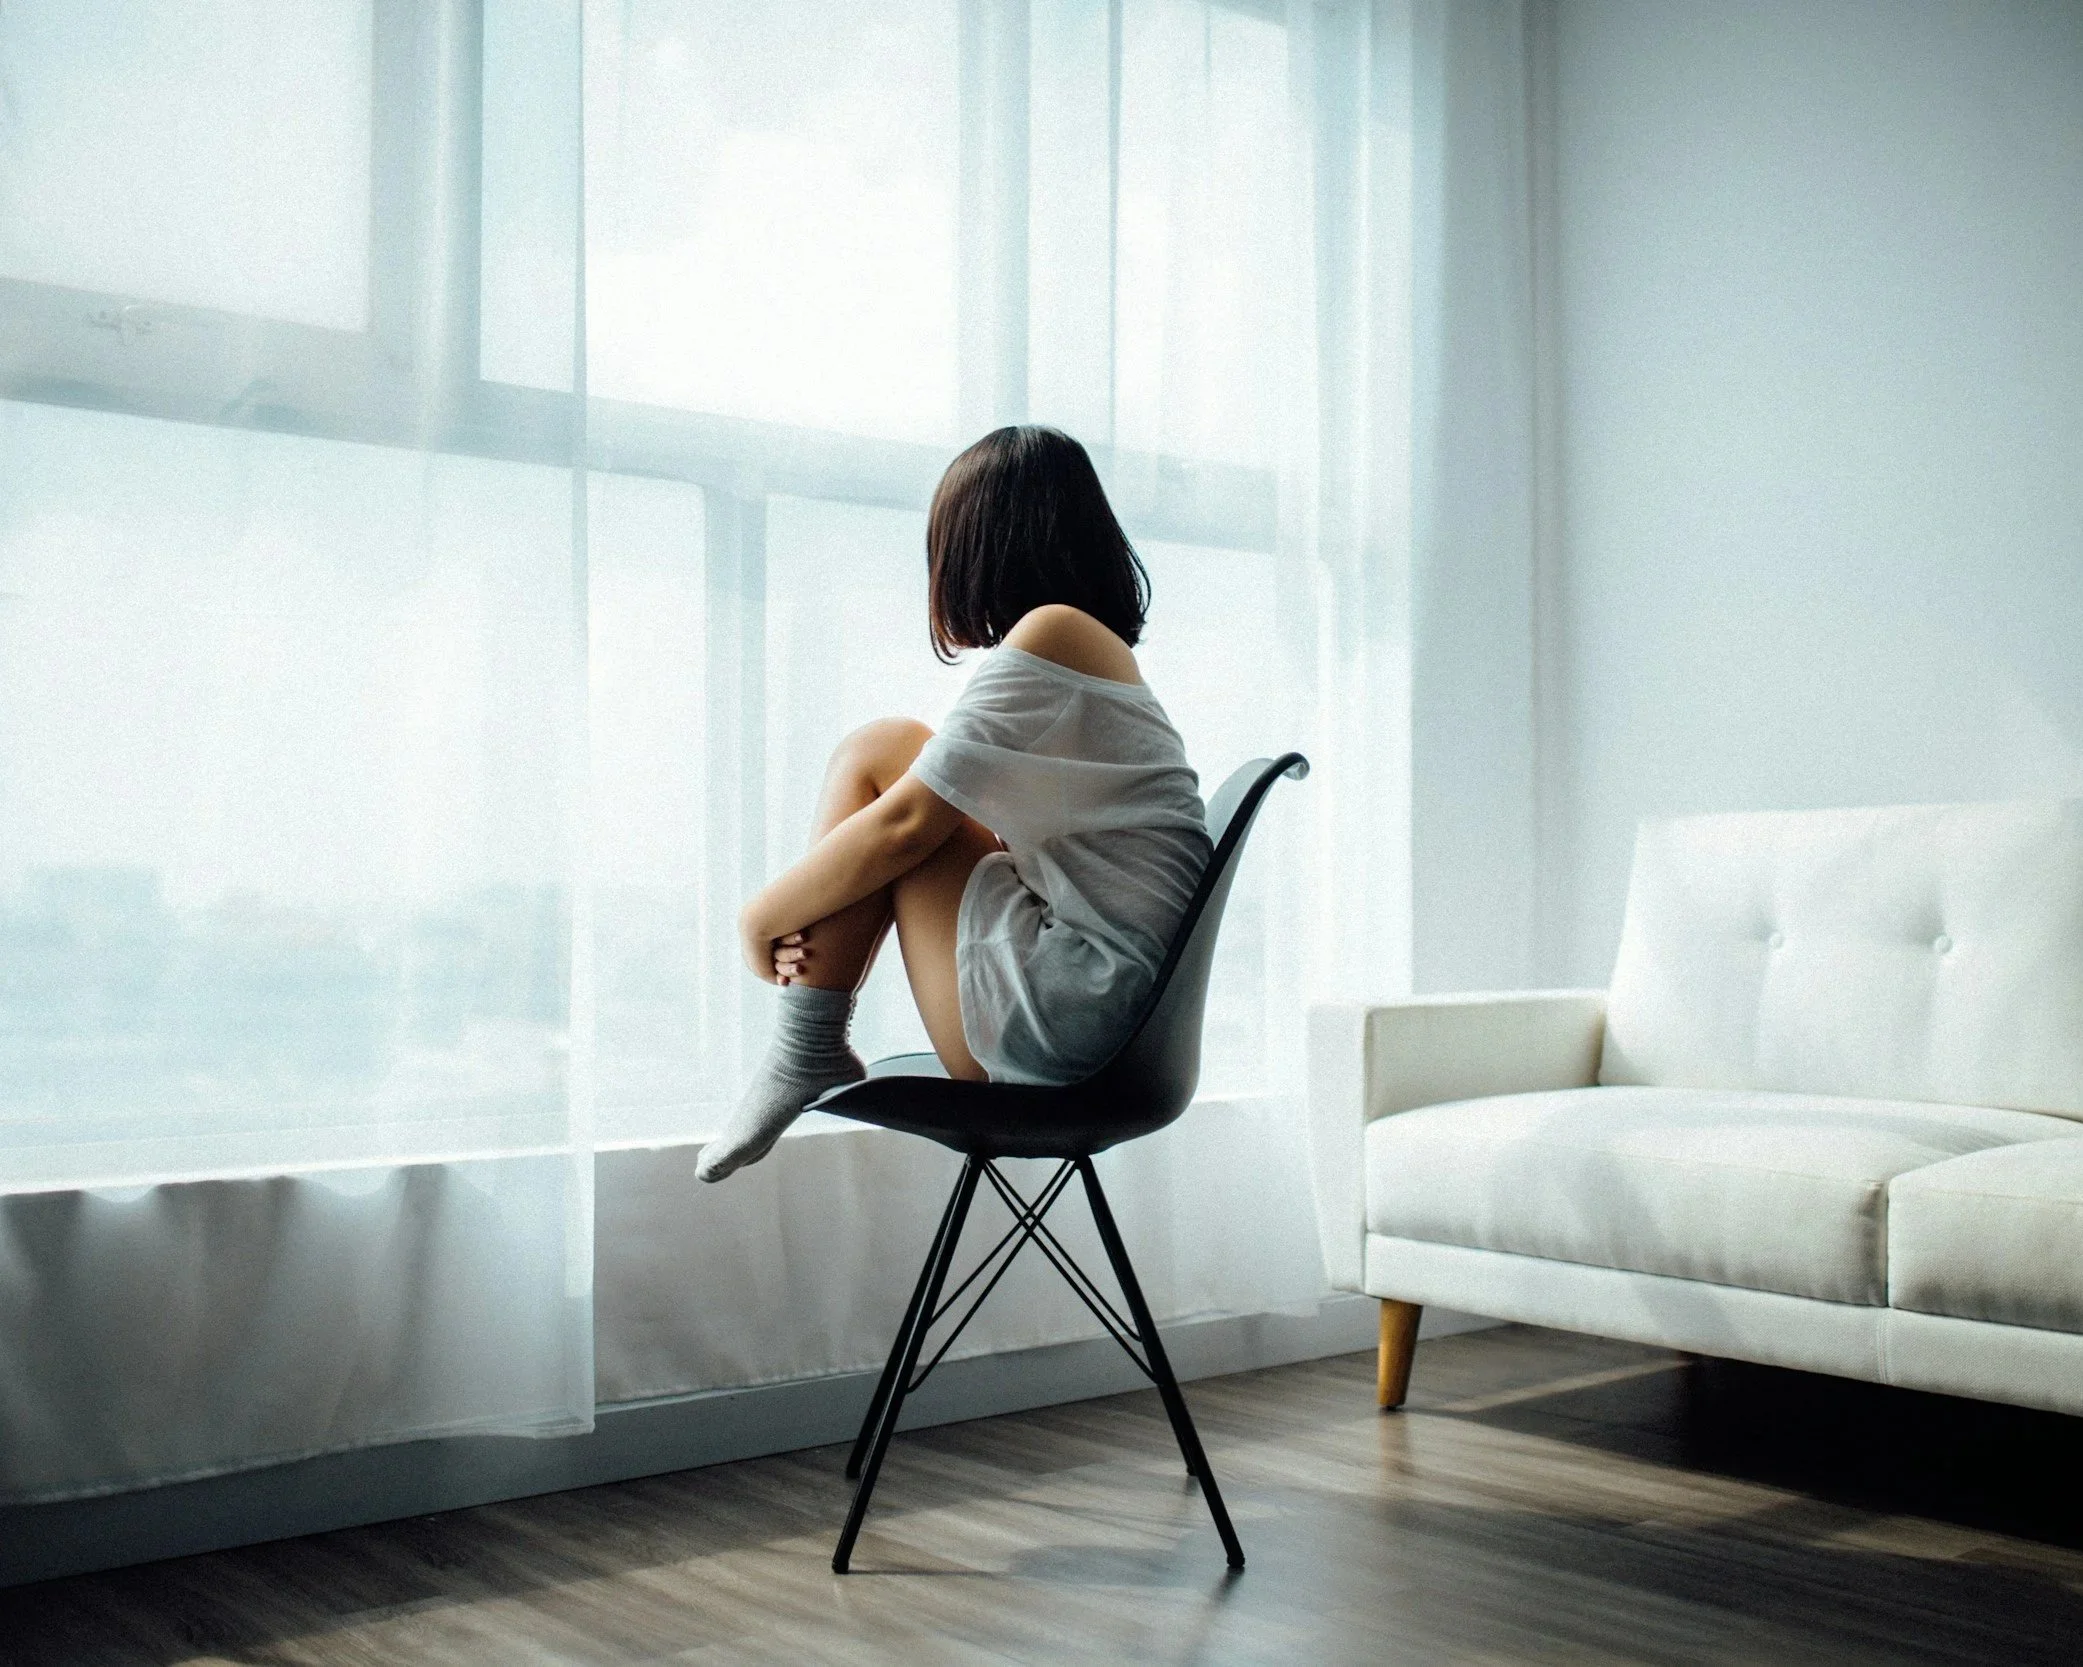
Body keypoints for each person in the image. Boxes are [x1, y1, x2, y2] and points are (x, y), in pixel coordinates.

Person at [697, 426, 1211, 1182]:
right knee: (894, 751)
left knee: (880, 755)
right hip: (1106, 1018)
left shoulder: (1055, 633)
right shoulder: (1087, 651)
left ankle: (803, 1044)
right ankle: (805, 1043)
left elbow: (907, 827)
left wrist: (757, 918)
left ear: (979, 546)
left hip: (1073, 1024)